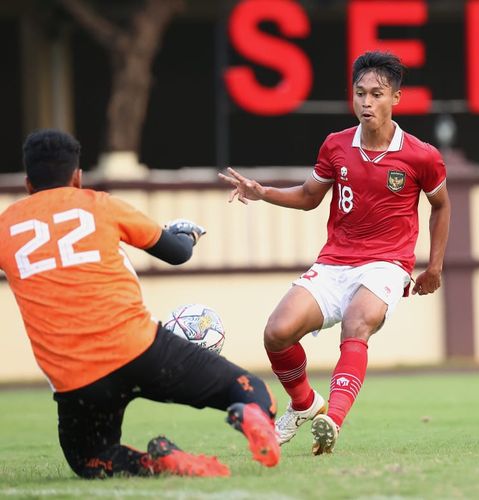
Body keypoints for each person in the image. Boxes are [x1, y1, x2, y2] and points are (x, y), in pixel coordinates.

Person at [0, 129, 280, 478]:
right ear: (77, 177)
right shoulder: (99, 204)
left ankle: (156, 463)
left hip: (76, 378)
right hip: (140, 349)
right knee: (249, 389)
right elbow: (176, 254)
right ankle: (250, 413)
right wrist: (185, 233)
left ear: (27, 184)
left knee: (90, 459)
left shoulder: (6, 225)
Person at [219, 51, 451, 454]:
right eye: (359, 93)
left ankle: (334, 419)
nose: (366, 102)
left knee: (357, 322)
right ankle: (306, 404)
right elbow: (310, 197)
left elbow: (442, 205)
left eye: (376, 94)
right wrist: (263, 193)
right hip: (334, 261)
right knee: (276, 332)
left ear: (396, 97)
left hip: (386, 264)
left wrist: (434, 267)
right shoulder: (336, 145)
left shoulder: (420, 155)